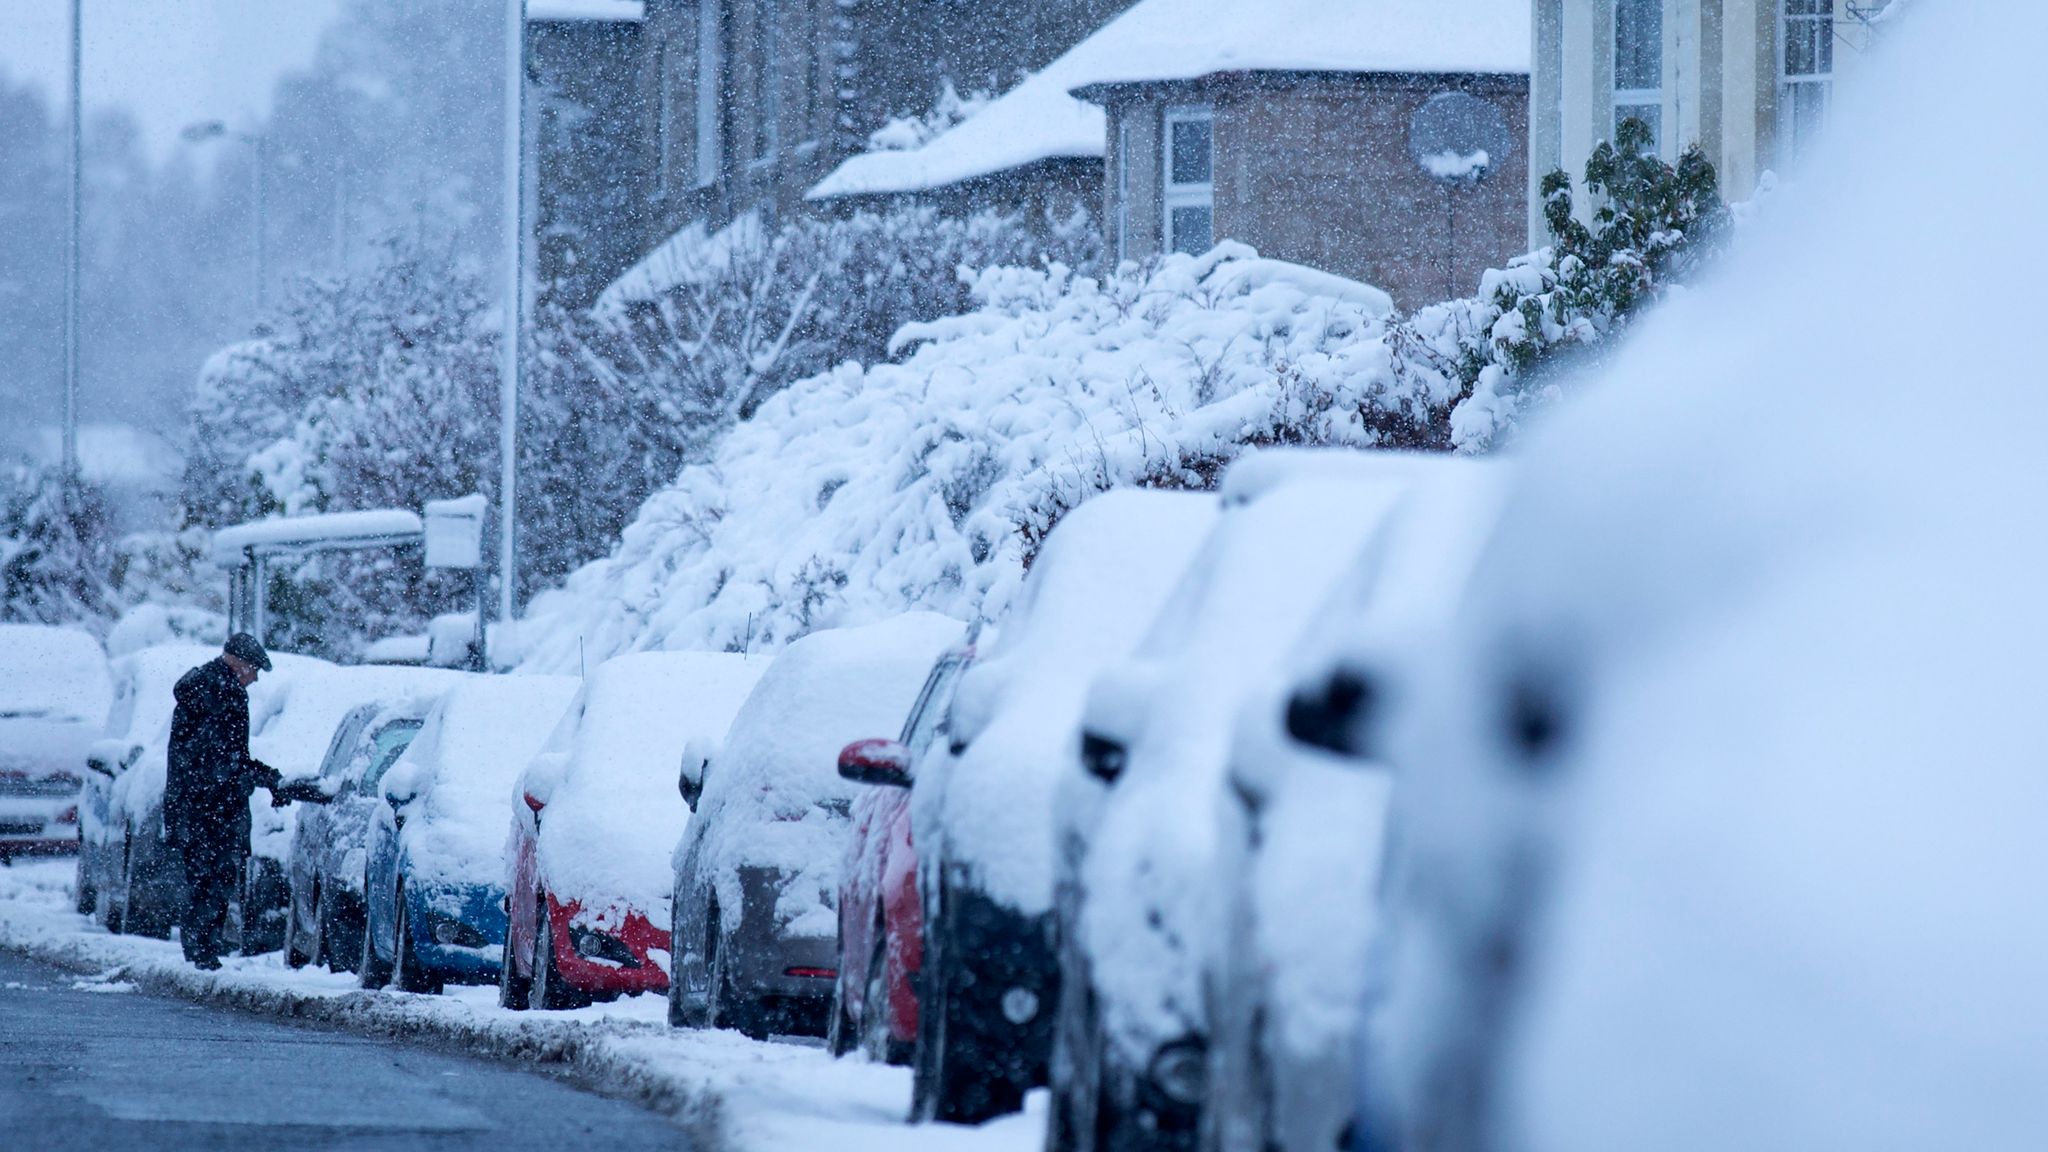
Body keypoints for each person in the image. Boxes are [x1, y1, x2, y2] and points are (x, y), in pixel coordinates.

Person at [164, 633, 284, 969]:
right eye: (255, 669)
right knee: (210, 879)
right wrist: (264, 777)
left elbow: (224, 757)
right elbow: (222, 761)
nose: (256, 678)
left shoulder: (208, 689)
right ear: (239, 663)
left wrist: (262, 777)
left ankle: (203, 946)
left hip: (201, 806)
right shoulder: (219, 694)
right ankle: (202, 950)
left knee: (208, 878)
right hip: (208, 809)